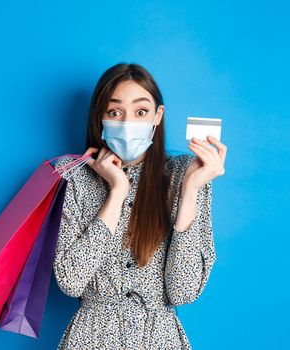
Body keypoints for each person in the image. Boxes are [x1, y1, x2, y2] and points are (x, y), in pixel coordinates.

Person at [51, 63, 228, 349]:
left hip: (159, 339)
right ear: (100, 118)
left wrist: (192, 189)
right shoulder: (73, 175)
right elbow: (71, 281)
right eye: (114, 112)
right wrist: (117, 191)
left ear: (158, 116)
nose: (128, 122)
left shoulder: (186, 174)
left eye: (141, 111)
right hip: (92, 339)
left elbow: (182, 290)